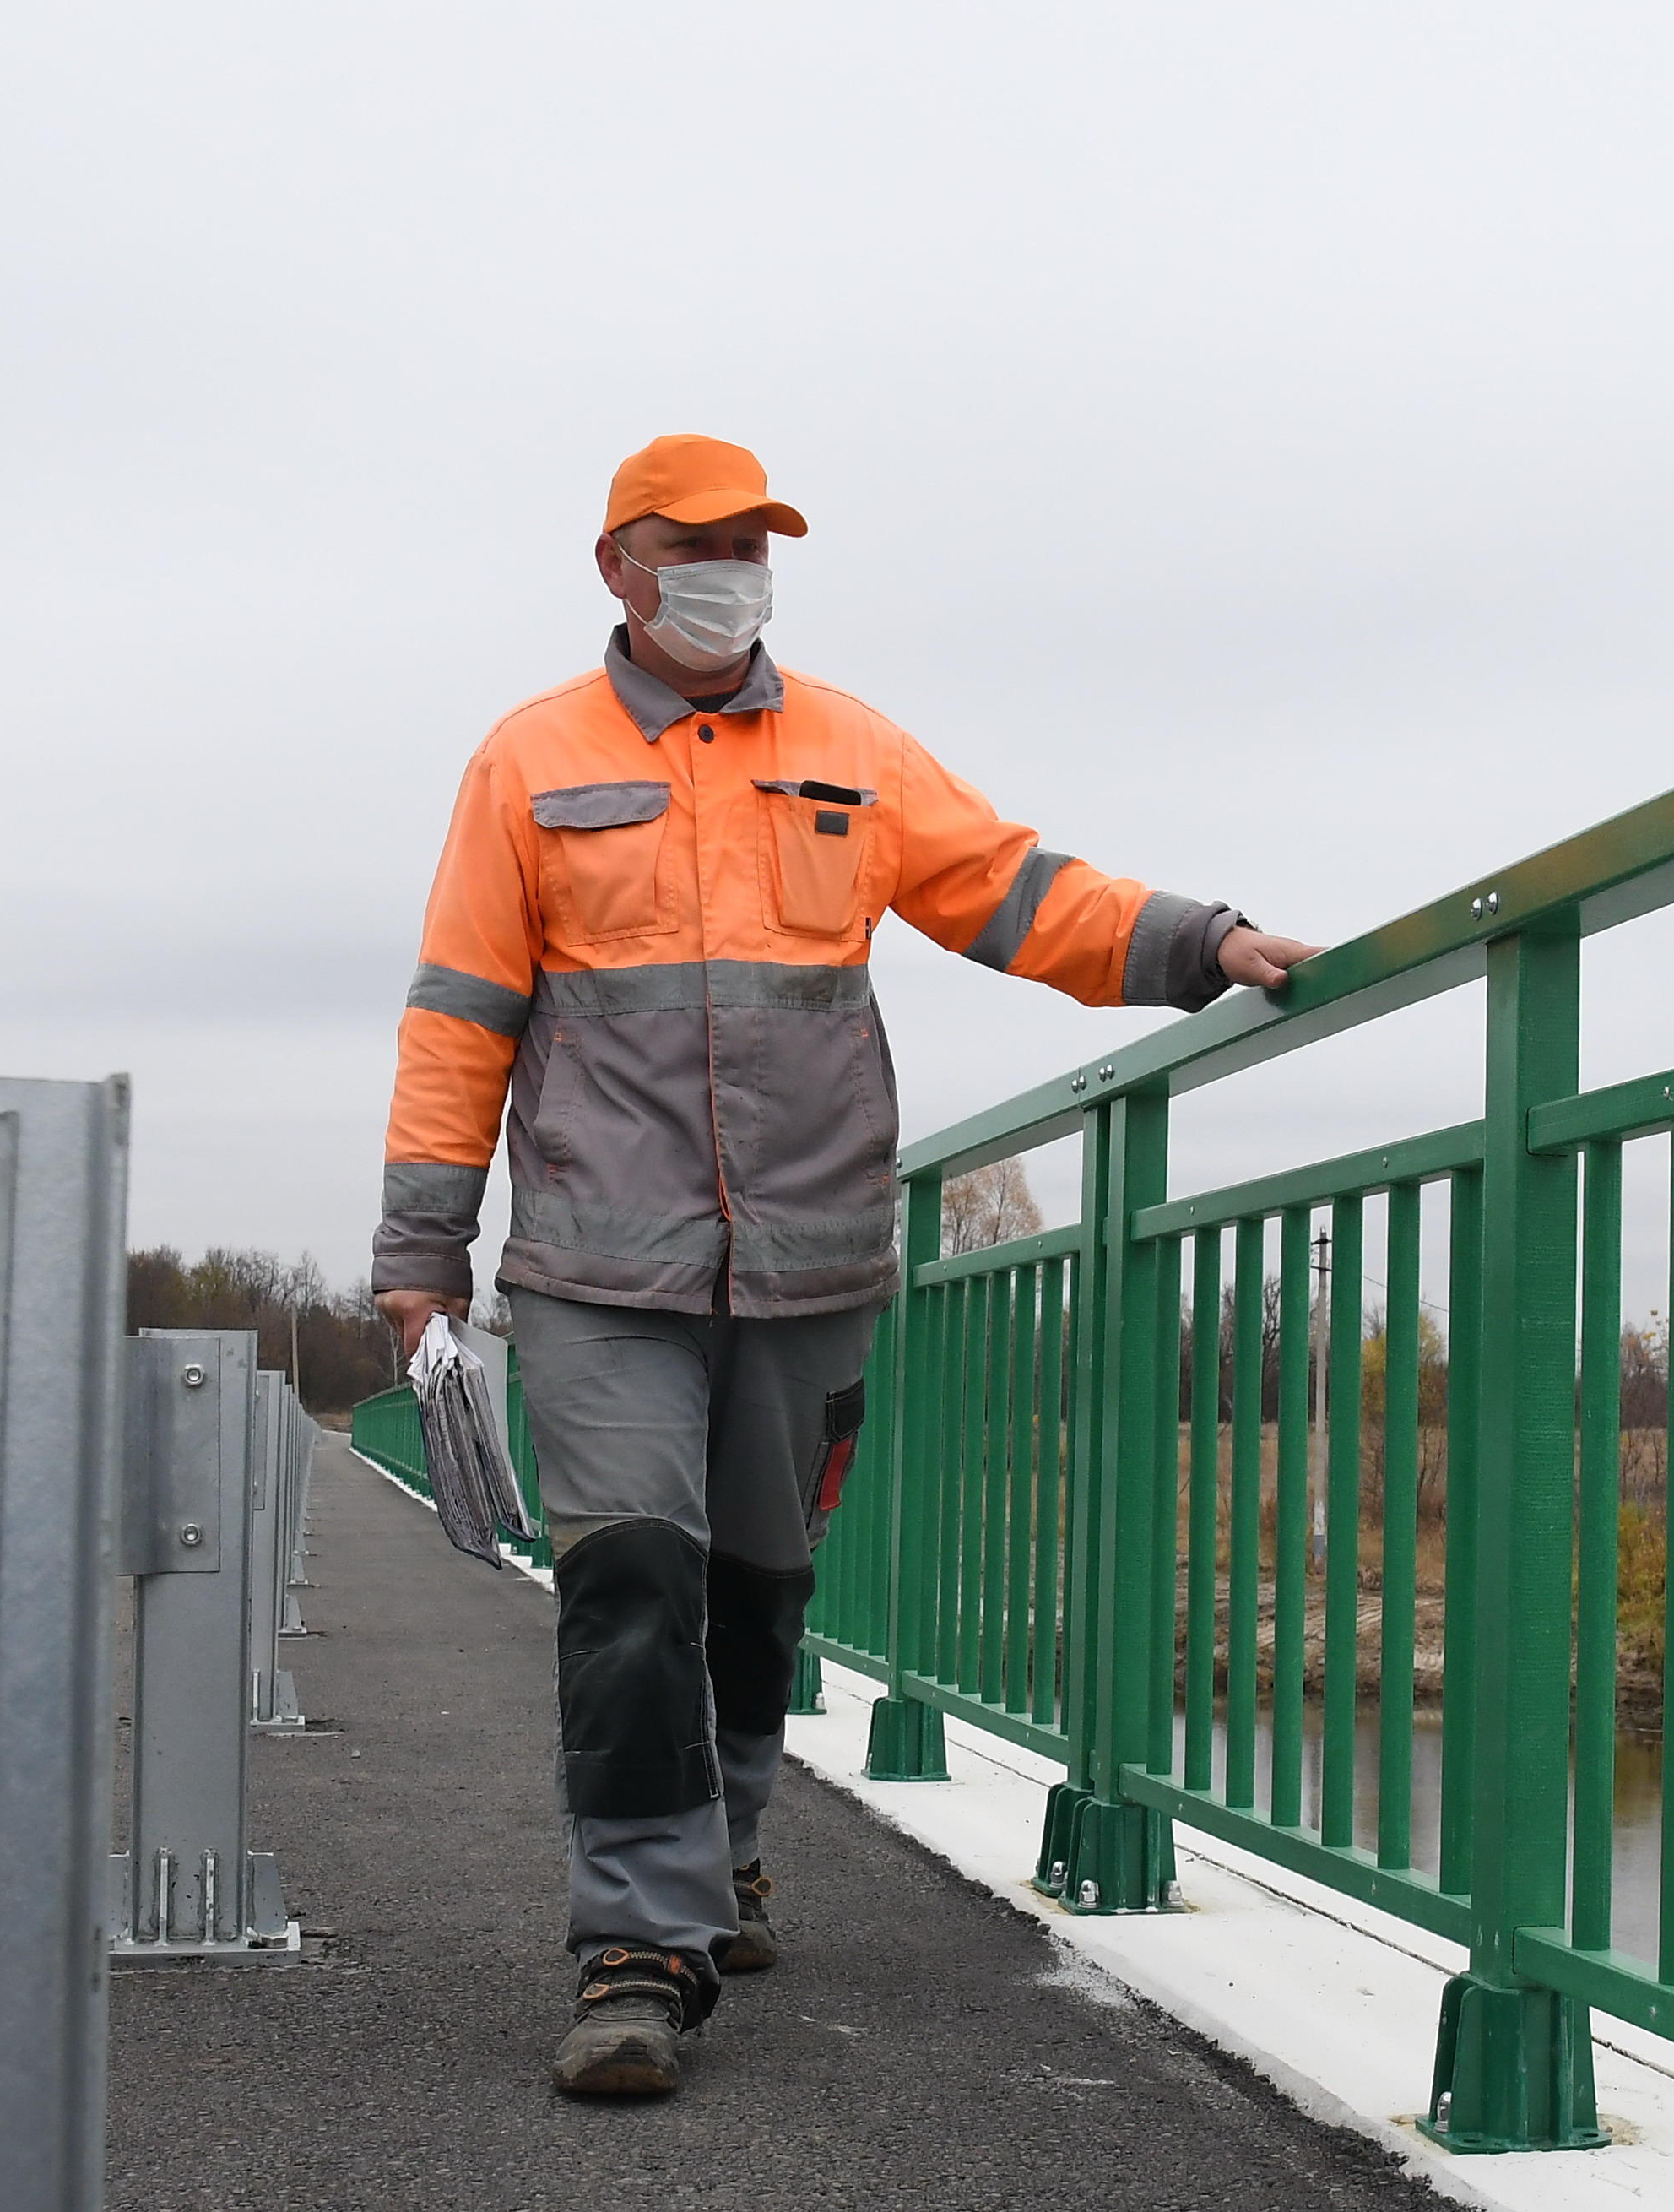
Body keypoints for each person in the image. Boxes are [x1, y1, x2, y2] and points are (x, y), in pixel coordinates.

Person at [371, 435, 1318, 2098]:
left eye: (754, 541)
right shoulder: (529, 764)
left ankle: (724, 1849)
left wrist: (1198, 943)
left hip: (810, 1265)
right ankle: (636, 1945)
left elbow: (1014, 889)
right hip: (605, 1267)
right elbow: (460, 1015)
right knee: (630, 1584)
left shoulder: (849, 751)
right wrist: (420, 1256)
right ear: (620, 566)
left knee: (754, 1589)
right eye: (698, 541)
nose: (733, 564)